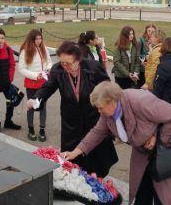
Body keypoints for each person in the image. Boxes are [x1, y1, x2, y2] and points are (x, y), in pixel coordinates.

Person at [63, 81, 171, 205]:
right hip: (144, 150)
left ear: (111, 102)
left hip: (168, 147)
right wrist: (75, 152)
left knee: (163, 193)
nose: (98, 111)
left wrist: (158, 138)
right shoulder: (107, 114)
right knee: (142, 188)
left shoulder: (140, 101)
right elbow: (97, 132)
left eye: (100, 107)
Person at [26, 41, 117, 177]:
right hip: (71, 124)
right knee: (74, 162)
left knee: (97, 162)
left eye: (68, 63)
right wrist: (35, 100)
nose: (65, 66)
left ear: (78, 60)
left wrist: (112, 116)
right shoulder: (58, 70)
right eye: (63, 63)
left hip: (93, 121)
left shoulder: (92, 67)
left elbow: (108, 89)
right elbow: (47, 87)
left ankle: (98, 185)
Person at [18, 29, 53, 141]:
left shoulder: (44, 48)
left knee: (43, 106)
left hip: (44, 82)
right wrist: (35, 75)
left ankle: (42, 129)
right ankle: (31, 129)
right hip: (32, 83)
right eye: (36, 39)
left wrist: (48, 69)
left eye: (40, 38)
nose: (38, 41)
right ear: (31, 39)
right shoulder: (25, 51)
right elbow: (21, 69)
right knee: (32, 105)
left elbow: (49, 62)